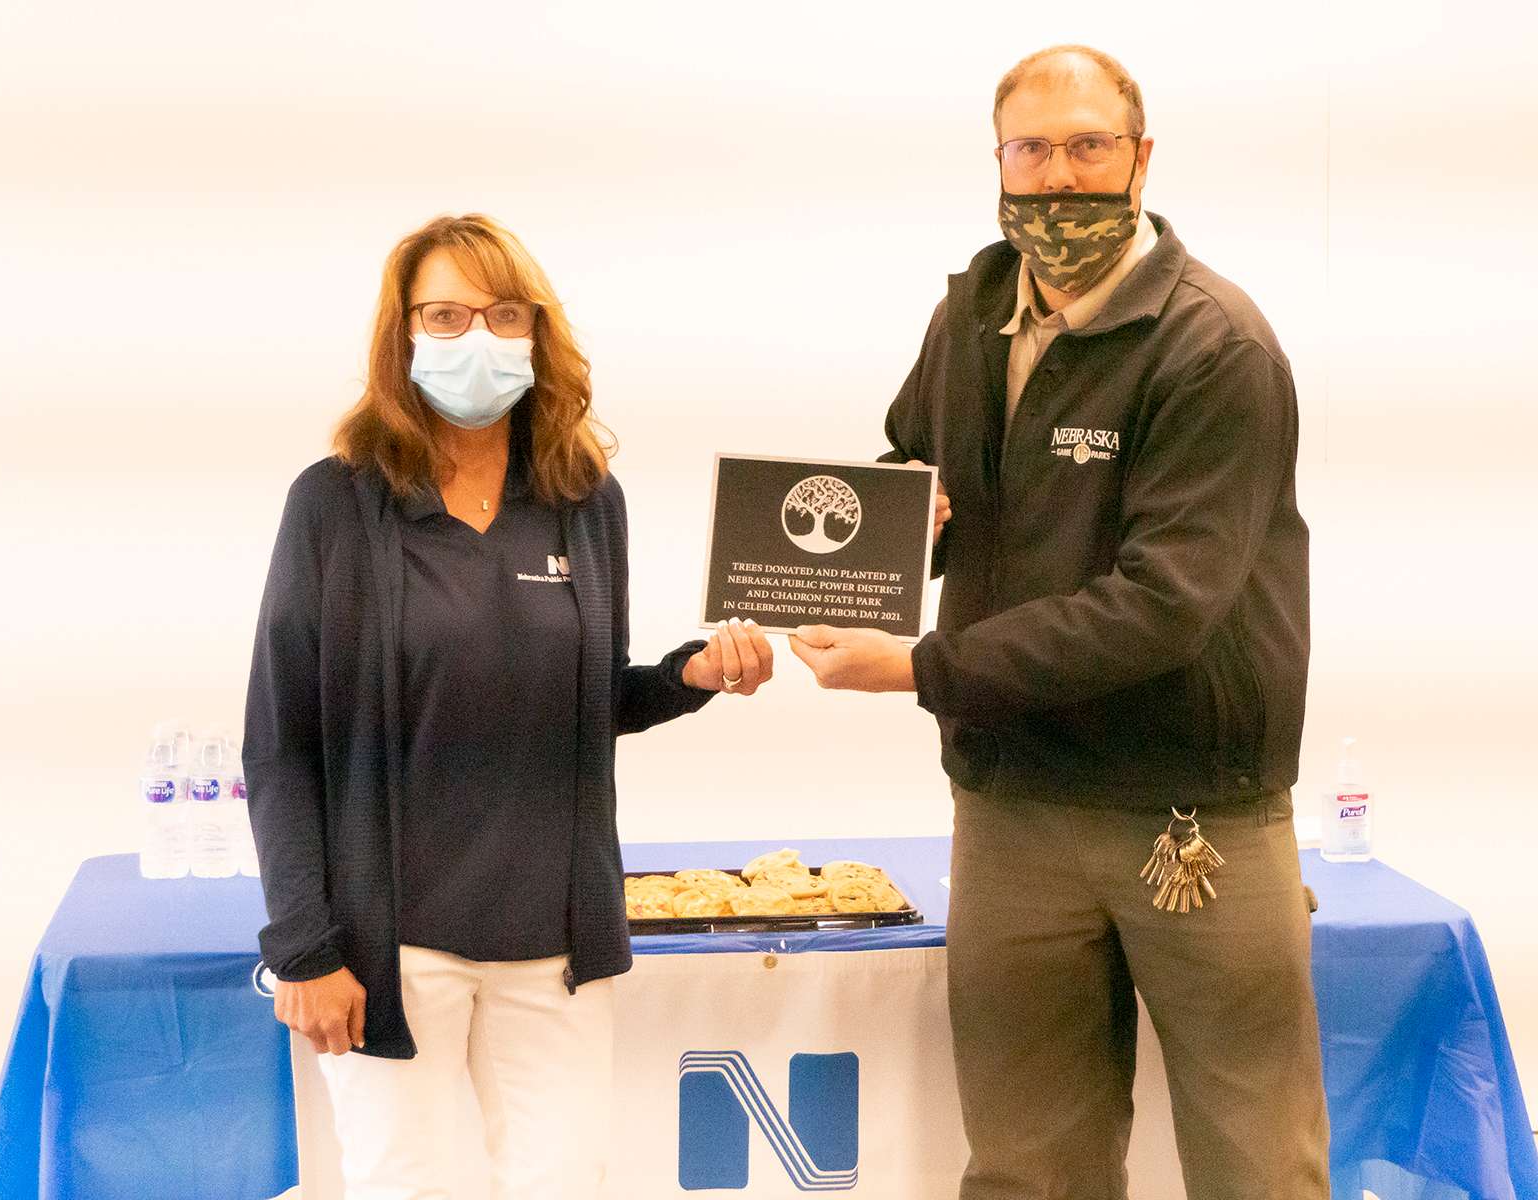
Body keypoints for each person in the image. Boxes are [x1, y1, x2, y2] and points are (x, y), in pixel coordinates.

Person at [787, 45, 1329, 1200]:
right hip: (1011, 804)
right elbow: (918, 469)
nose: (1059, 176)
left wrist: (921, 668)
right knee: (1029, 1164)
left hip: (1190, 817)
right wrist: (894, 531)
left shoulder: (1214, 347)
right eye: (1032, 149)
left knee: (1255, 1164)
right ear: (998, 159)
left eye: (1088, 146)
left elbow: (1165, 605)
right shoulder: (974, 308)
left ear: (1140, 159)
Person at [243, 212, 774, 1199]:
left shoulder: (585, 499)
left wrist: (689, 678)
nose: (474, 338)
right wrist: (303, 949)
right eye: (443, 315)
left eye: (500, 314)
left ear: (538, 332)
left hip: (552, 941)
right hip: (387, 944)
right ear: (401, 337)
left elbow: (587, 697)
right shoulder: (334, 504)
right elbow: (280, 744)